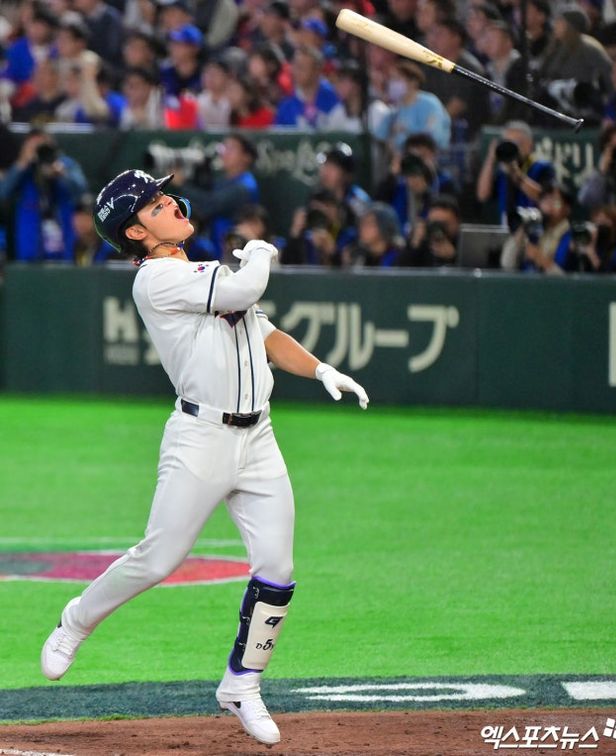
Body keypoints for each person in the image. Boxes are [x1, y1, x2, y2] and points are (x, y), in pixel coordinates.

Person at [40, 168, 369, 748]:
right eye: (154, 203)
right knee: (158, 558)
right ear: (136, 232)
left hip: (258, 437)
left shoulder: (199, 271)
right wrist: (260, 251)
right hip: (201, 439)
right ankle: (77, 620)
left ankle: (242, 684)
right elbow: (245, 290)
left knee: (278, 570)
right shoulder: (156, 280)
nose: (170, 202)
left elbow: (264, 333)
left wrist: (322, 369)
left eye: (165, 195)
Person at [0, 129, 88, 261]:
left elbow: (81, 189)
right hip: (30, 245)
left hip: (63, 240)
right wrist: (22, 162)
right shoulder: (24, 170)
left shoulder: (64, 164)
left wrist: (61, 174)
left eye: (43, 145)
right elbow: (3, 192)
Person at [173, 133, 260, 257]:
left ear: (246, 157)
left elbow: (210, 205)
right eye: (224, 148)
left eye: (231, 148)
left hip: (232, 252)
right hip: (213, 246)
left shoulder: (245, 186)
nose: (224, 153)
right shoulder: (223, 181)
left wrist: (182, 184)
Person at [476, 120, 555, 224]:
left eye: (518, 143)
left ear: (530, 145)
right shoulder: (502, 171)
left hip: (534, 225)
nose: (513, 148)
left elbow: (544, 198)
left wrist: (515, 173)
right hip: (506, 227)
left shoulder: (542, 167)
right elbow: (483, 195)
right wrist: (491, 158)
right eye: (508, 143)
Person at [372, 59, 451, 154]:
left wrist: (406, 130)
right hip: (400, 160)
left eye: (397, 79)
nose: (392, 83)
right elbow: (379, 137)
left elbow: (433, 137)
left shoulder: (430, 103)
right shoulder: (395, 111)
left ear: (413, 82)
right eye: (391, 79)